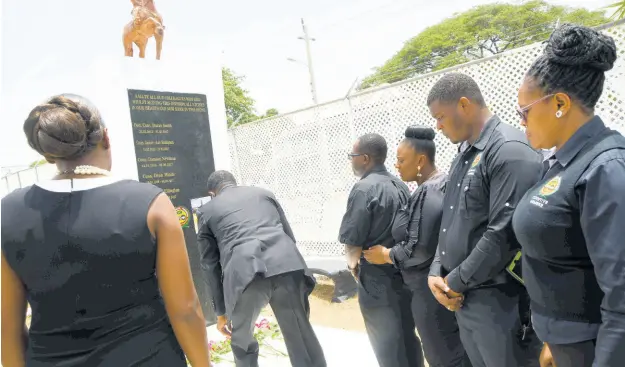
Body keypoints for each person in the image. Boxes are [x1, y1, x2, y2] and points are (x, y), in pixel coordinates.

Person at [1, 94, 210, 367]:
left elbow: (8, 326)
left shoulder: (9, 212)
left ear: (50, 154)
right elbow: (185, 309)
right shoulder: (149, 203)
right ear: (107, 138)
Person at [512, 24, 625, 367]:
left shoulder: (605, 167)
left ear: (559, 103)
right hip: (565, 341)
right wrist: (551, 336)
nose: (522, 122)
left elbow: (621, 299)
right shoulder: (564, 161)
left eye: (524, 111)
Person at [425, 73, 544, 367]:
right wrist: (436, 271)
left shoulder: (508, 150)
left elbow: (503, 234)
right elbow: (449, 222)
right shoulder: (465, 155)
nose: (437, 126)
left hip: (499, 301)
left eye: (440, 116)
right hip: (465, 297)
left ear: (464, 105)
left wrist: (453, 282)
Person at [363, 126, 471, 367]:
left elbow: (419, 249)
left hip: (429, 291)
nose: (397, 165)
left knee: (443, 357)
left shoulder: (430, 192)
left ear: (421, 160)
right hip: (434, 287)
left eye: (401, 160)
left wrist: (387, 254)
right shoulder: (437, 185)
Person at [197, 170, 326, 367]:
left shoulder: (207, 211)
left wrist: (221, 312)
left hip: (245, 275)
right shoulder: (264, 194)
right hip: (286, 265)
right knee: (300, 335)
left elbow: (209, 265)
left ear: (212, 193)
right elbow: (289, 236)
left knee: (242, 341)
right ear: (234, 183)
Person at [339, 133, 421, 367]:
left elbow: (353, 241)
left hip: (376, 279)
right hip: (403, 274)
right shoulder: (400, 184)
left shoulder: (363, 189)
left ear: (365, 158)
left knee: (386, 345)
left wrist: (353, 266)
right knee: (408, 337)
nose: (351, 161)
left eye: (352, 156)